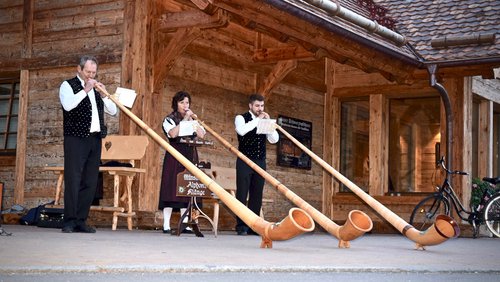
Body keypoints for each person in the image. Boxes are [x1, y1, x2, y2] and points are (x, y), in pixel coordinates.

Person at [59, 55, 117, 233]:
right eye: (88, 72)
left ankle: (81, 220)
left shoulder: (96, 88)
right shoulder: (68, 85)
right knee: (73, 178)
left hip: (94, 139)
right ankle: (69, 220)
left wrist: (103, 95)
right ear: (79, 69)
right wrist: (85, 90)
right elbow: (68, 106)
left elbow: (114, 111)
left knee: (90, 181)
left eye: (94, 72)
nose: (91, 75)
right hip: (76, 138)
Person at [159, 91, 206, 234]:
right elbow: (172, 134)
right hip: (175, 154)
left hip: (190, 153)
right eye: (182, 102)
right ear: (176, 104)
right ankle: (166, 225)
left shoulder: (193, 119)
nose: (185, 105)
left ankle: (185, 223)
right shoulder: (169, 119)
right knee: (171, 187)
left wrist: (193, 120)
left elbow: (202, 134)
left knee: (187, 187)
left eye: (187, 102)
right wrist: (185, 119)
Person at [234, 94, 279, 235]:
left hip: (260, 161)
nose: (260, 109)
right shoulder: (241, 118)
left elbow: (274, 140)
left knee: (256, 194)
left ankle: (254, 226)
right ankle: (241, 226)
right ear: (250, 106)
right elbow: (241, 131)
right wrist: (258, 120)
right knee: (242, 193)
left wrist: (270, 125)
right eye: (257, 106)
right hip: (244, 160)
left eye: (262, 106)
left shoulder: (263, 120)